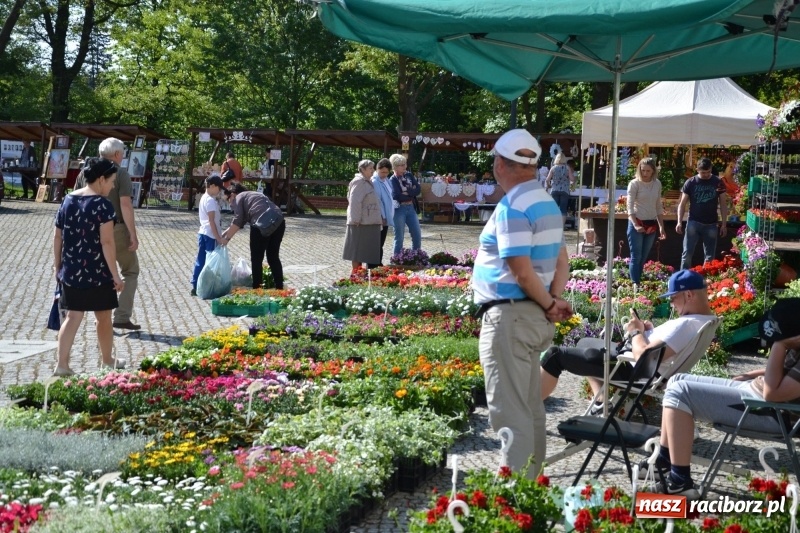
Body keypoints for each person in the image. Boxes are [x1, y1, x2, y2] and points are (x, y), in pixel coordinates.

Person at [472, 128, 573, 479]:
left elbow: (521, 271)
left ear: (501, 163)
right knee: (529, 409)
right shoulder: (545, 201)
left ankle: (517, 499)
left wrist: (548, 301)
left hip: (510, 316)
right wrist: (554, 300)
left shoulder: (513, 206)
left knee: (510, 412)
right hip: (529, 317)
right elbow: (563, 261)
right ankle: (531, 488)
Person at [651, 298, 800, 497]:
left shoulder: (786, 344)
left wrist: (779, 345)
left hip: (769, 413)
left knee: (681, 392)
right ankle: (663, 461)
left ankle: (679, 482)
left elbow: (772, 394)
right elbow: (781, 372)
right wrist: (751, 374)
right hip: (755, 396)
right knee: (677, 379)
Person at [540, 270, 716, 413]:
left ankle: (528, 407)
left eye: (672, 299)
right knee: (584, 343)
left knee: (554, 356)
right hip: (644, 369)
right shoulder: (702, 321)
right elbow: (663, 349)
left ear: (689, 295)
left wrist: (636, 331)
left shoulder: (686, 324)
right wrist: (649, 332)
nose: (672, 304)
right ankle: (601, 402)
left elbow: (643, 357)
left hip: (633, 370)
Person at [52, 158, 125, 376]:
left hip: (71, 272)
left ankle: (62, 365)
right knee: (103, 317)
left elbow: (57, 237)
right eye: (111, 181)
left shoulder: (68, 200)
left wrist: (58, 267)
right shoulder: (103, 205)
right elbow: (107, 243)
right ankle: (106, 360)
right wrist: (116, 275)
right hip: (98, 273)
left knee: (73, 317)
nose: (112, 186)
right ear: (101, 179)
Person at [76, 138, 142, 330]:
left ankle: (101, 317)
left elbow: (77, 199)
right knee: (130, 271)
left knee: (101, 271)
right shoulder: (120, 173)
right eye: (122, 153)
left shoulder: (85, 173)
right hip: (115, 229)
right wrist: (133, 233)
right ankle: (121, 315)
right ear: (116, 155)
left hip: (90, 229)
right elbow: (125, 205)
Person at [221, 183, 285, 290]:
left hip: (261, 224)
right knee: (273, 257)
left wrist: (226, 239)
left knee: (256, 259)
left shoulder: (239, 198)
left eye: (229, 199)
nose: (230, 204)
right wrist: (224, 233)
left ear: (233, 194)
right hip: (278, 221)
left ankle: (257, 290)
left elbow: (237, 221)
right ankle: (280, 288)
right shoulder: (252, 195)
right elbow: (241, 221)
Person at [676, 157, 728, 269]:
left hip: (711, 223)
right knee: (687, 253)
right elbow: (682, 203)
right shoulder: (690, 182)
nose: (706, 175)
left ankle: (707, 281)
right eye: (703, 172)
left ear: (711, 169)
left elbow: (723, 204)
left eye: (708, 172)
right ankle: (683, 279)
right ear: (697, 170)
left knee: (710, 257)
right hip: (693, 222)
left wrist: (724, 224)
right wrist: (679, 222)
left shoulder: (718, 182)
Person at [626, 157, 666, 284]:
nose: (645, 173)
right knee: (636, 256)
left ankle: (637, 281)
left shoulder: (657, 183)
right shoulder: (634, 184)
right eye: (643, 170)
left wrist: (661, 227)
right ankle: (635, 283)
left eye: (648, 171)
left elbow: (658, 205)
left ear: (653, 171)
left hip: (651, 223)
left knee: (643, 257)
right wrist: (635, 224)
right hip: (637, 222)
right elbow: (629, 206)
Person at [343, 160, 382, 272]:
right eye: (370, 168)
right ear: (363, 169)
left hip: (369, 221)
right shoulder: (359, 182)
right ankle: (357, 275)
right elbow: (354, 201)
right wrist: (355, 220)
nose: (373, 170)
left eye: (373, 168)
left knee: (365, 251)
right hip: (360, 223)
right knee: (357, 251)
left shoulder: (367, 181)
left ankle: (363, 275)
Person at [190, 175, 226, 296]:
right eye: (218, 188)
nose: (219, 190)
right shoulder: (210, 200)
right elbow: (211, 221)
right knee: (209, 262)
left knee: (200, 259)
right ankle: (206, 285)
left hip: (203, 232)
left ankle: (195, 284)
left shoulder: (204, 198)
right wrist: (218, 237)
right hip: (210, 235)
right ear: (212, 186)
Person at [389, 154, 422, 256]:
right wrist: (411, 193)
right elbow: (397, 196)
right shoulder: (392, 180)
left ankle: (416, 257)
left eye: (405, 164)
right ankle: (397, 259)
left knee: (417, 234)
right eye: (401, 165)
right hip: (399, 210)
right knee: (399, 237)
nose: (404, 167)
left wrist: (408, 192)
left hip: (411, 208)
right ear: (395, 167)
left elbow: (418, 189)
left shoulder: (409, 175)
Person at [368, 158, 394, 269]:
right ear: (377, 169)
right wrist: (382, 216)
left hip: (387, 216)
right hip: (379, 216)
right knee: (376, 242)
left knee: (381, 242)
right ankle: (372, 265)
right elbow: (378, 201)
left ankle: (378, 262)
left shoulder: (386, 180)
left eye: (386, 172)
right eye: (382, 172)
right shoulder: (375, 181)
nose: (384, 174)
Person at [546, 152, 574, 223]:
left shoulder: (553, 168)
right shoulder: (567, 168)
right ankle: (561, 227)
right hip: (564, 190)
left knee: (554, 209)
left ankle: (553, 225)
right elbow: (572, 179)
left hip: (554, 190)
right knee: (563, 209)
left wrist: (549, 185)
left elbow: (547, 179)